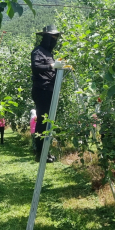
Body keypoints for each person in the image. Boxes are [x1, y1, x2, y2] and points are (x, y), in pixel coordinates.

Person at [31, 25, 68, 163]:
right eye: (52, 37)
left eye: (56, 38)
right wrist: (52, 66)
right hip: (42, 90)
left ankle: (45, 152)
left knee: (48, 122)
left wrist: (62, 67)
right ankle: (39, 153)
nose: (54, 40)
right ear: (45, 37)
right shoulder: (38, 51)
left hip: (50, 90)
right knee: (42, 121)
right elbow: (35, 68)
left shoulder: (49, 53)